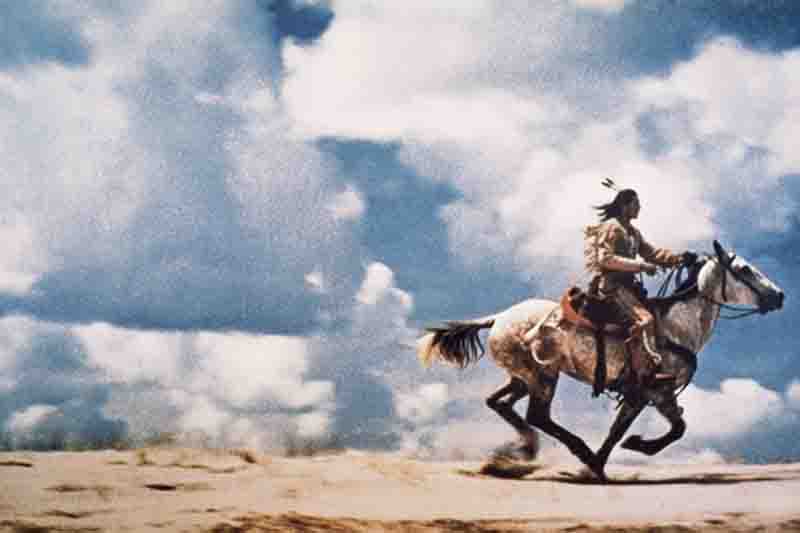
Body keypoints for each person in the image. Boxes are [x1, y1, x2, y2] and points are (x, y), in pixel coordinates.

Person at [584, 186, 695, 386]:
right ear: (625, 206)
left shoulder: (634, 233)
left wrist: (678, 258)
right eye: (636, 204)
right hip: (612, 287)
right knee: (645, 320)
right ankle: (639, 373)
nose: (639, 208)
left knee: (659, 317)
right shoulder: (611, 227)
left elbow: (652, 253)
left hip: (629, 288)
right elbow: (605, 259)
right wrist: (641, 266)